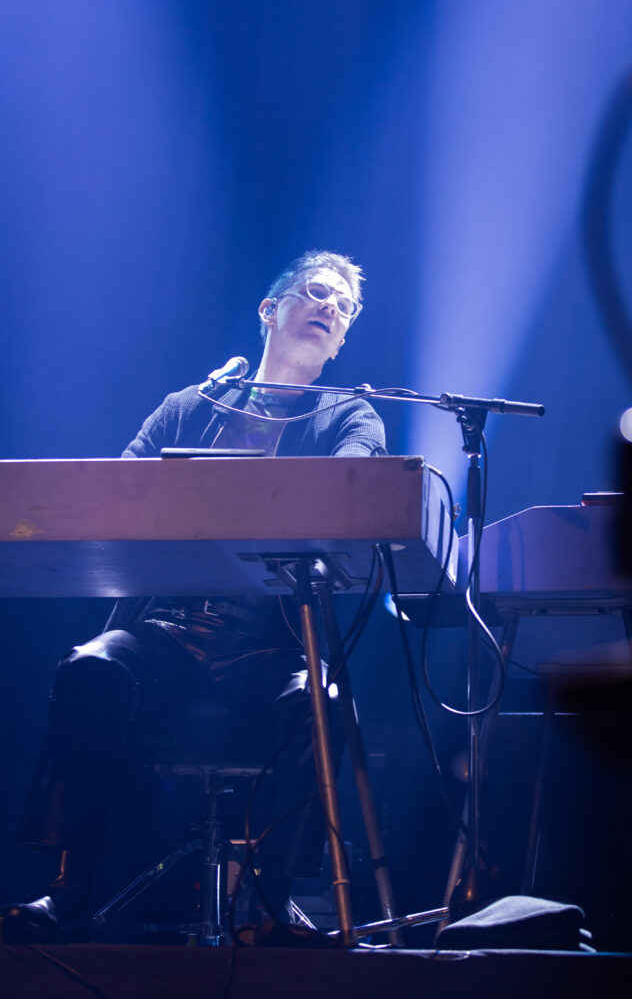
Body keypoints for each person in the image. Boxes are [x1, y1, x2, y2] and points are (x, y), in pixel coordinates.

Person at [2, 249, 386, 942]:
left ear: (341, 340)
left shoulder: (346, 414)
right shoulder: (191, 406)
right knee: (90, 666)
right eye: (316, 292)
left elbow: (350, 491)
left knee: (322, 698)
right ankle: (70, 888)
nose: (329, 309)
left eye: (344, 308)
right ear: (270, 310)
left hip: (273, 641)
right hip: (167, 631)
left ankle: (266, 898)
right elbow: (112, 496)